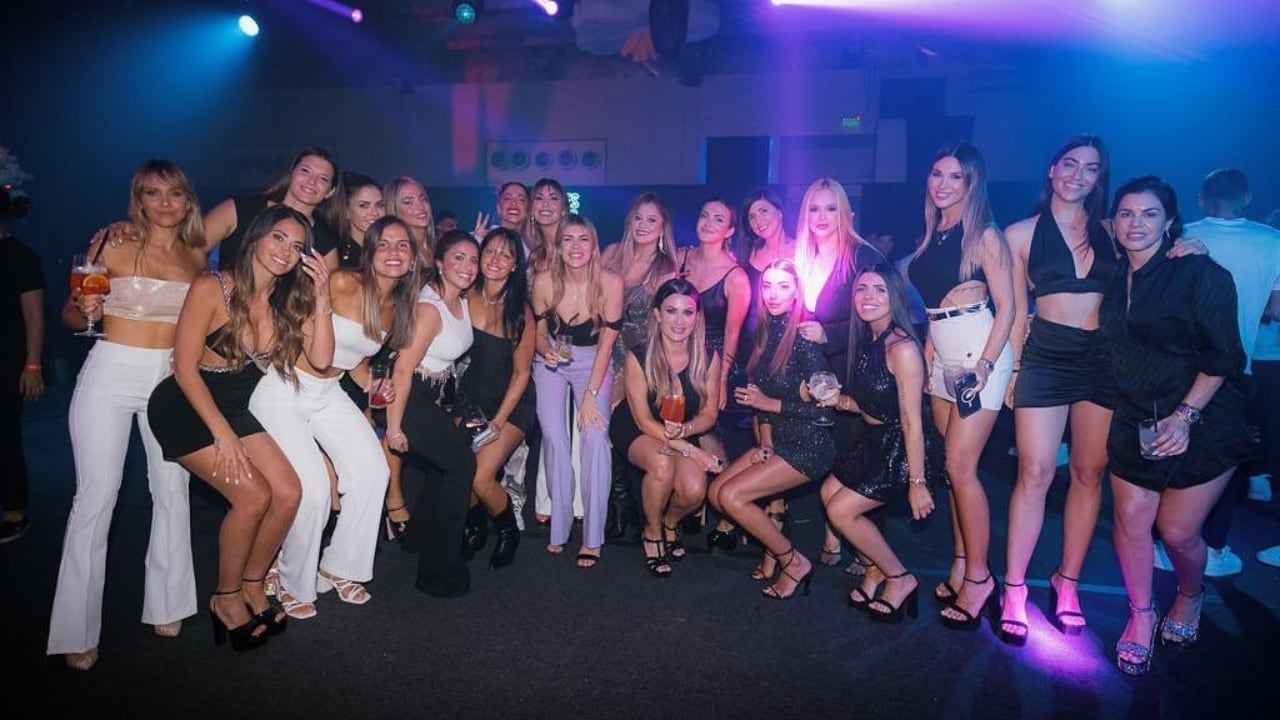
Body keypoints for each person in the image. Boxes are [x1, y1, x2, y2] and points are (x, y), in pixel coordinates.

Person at [146, 205, 332, 651]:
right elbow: (185, 368)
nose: (286, 251)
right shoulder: (213, 287)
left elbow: (322, 359)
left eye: (297, 246)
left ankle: (252, 583)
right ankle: (225, 597)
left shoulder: (289, 301)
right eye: (279, 238)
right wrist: (222, 434)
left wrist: (322, 297)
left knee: (289, 492)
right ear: (257, 237)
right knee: (253, 496)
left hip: (237, 407)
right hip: (186, 407)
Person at [47, 161, 208, 670]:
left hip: (169, 379)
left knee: (172, 491)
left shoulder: (198, 254)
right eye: (153, 193)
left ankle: (169, 603)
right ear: (138, 199)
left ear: (188, 201)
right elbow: (72, 314)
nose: (164, 202)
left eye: (174, 193)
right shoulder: (110, 244)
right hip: (110, 370)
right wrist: (83, 310)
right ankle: (76, 630)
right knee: (95, 498)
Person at [1102, 176, 1250, 676]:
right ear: (1113, 222)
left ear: (1170, 222)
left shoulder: (1200, 273)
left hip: (1202, 417)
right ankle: (1140, 616)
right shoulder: (1114, 274)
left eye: (1148, 214)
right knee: (1131, 521)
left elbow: (1226, 355)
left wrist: (1184, 418)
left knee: (1178, 531)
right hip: (1135, 416)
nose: (1136, 224)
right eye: (1126, 214)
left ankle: (1190, 594)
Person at [249, 216, 419, 618]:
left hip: (329, 392)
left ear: (413, 260)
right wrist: (321, 296)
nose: (393, 252)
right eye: (384, 244)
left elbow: (353, 361)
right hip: (285, 389)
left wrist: (372, 386)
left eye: (403, 246)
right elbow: (316, 351)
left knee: (373, 473)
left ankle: (340, 565)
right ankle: (290, 578)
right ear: (370, 251)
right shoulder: (341, 283)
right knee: (313, 489)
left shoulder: (396, 309)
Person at [998, 136, 1118, 644]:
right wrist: (1014, 369)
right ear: (1052, 170)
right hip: (1046, 356)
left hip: (1102, 359)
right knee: (1035, 471)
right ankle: (1015, 588)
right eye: (1070, 164)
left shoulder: (1113, 232)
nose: (1078, 175)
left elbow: (1160, 258)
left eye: (1091, 169)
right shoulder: (1020, 233)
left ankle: (1067, 584)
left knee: (1089, 474)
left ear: (1098, 179)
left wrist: (1187, 245)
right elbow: (1013, 307)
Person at [905, 142, 1016, 630]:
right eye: (936, 174)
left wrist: (990, 367)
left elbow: (1010, 307)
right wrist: (930, 358)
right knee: (953, 471)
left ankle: (980, 578)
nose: (943, 184)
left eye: (955, 177)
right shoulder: (934, 233)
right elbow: (931, 309)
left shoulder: (985, 235)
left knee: (961, 467)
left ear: (973, 183)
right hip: (942, 356)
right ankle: (958, 561)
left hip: (978, 355)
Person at [1162, 168, 1280, 578]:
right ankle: (1212, 548)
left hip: (1176, 366)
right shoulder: (1272, 241)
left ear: (1200, 199)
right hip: (1234, 367)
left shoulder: (1178, 234)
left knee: (1172, 450)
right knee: (1224, 462)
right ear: (1246, 197)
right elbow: (1276, 309)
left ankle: (1164, 543)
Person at [819, 264, 946, 622]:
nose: (868, 297)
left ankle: (899, 577)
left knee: (841, 511)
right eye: (862, 289)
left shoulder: (902, 347)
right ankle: (874, 568)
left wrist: (918, 483)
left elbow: (912, 420)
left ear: (894, 296)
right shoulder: (870, 340)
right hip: (874, 438)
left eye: (878, 290)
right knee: (829, 493)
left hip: (901, 448)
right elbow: (871, 402)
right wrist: (838, 401)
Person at [708, 258, 834, 599]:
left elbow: (826, 408)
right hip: (776, 440)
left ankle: (792, 561)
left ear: (796, 293)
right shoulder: (763, 334)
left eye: (783, 286)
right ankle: (775, 553)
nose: (773, 294)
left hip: (809, 445)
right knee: (717, 494)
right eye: (767, 286)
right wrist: (765, 442)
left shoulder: (805, 338)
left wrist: (770, 405)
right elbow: (757, 398)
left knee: (733, 497)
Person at [793, 177, 885, 570]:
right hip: (815, 373)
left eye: (831, 208)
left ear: (846, 212)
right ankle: (832, 536)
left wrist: (827, 335)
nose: (822, 217)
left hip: (852, 369)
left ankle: (864, 548)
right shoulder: (799, 256)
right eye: (814, 208)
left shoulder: (862, 256)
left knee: (856, 454)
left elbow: (876, 316)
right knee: (828, 453)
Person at [384, 229, 478, 597]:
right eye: (458, 258)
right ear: (438, 262)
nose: (467, 267)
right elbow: (403, 369)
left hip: (430, 396)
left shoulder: (460, 298)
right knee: (461, 465)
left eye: (473, 260)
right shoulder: (429, 307)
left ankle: (420, 537)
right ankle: (438, 572)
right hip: (407, 399)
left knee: (447, 464)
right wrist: (393, 428)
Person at [611, 278, 724, 577]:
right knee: (662, 462)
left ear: (697, 317)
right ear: (658, 315)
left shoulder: (708, 358)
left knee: (694, 490)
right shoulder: (640, 355)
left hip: (681, 428)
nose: (679, 321)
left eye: (687, 313)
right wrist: (692, 451)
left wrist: (686, 431)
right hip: (638, 429)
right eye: (671, 311)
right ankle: (653, 532)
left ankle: (670, 523)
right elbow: (643, 420)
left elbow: (710, 413)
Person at [705, 188, 796, 552]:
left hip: (787, 350)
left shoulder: (800, 252)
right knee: (758, 431)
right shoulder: (747, 255)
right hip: (751, 349)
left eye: (764, 212)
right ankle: (751, 509)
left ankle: (774, 508)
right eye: (752, 216)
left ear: (780, 211)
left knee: (781, 433)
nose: (758, 221)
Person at [532, 214, 624, 567]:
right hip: (553, 364)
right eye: (567, 239)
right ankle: (560, 526)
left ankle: (593, 537)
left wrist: (590, 395)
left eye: (582, 239)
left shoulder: (610, 283)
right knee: (555, 439)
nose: (575, 247)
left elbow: (607, 345)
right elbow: (539, 333)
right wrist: (545, 351)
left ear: (594, 245)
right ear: (558, 246)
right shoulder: (543, 282)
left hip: (593, 365)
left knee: (595, 438)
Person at [457, 227, 536, 569]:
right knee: (460, 470)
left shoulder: (521, 312)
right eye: (490, 251)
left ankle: (506, 530)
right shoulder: (461, 295)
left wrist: (499, 422)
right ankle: (474, 524)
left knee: (480, 476)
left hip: (512, 404)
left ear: (516, 265)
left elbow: (522, 374)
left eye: (506, 254)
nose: (496, 260)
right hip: (468, 401)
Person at [601, 193, 678, 539]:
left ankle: (625, 503)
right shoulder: (611, 254)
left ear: (663, 228)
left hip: (639, 357)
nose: (644, 225)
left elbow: (665, 326)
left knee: (620, 420)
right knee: (598, 426)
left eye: (652, 220)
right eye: (639, 218)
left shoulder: (665, 267)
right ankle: (618, 501)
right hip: (603, 349)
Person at [203, 146, 342, 271]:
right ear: (291, 173)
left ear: (330, 191)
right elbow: (192, 250)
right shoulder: (239, 209)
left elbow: (326, 291)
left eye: (323, 179)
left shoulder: (325, 244)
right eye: (305, 171)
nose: (312, 181)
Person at [0, 185, 41, 545]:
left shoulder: (19, 255)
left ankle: (15, 511)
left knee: (5, 437)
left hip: (6, 360)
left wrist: (32, 365)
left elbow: (34, 315)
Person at [384, 176, 436, 270]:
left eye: (423, 199)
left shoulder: (438, 247)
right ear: (394, 209)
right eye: (408, 202)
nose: (420, 207)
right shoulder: (400, 252)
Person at [338, 172, 385, 270]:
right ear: (346, 211)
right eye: (363, 206)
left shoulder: (391, 248)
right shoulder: (338, 256)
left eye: (380, 205)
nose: (375, 213)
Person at [526, 178, 570, 274]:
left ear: (563, 209)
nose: (545, 204)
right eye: (539, 198)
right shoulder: (535, 256)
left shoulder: (572, 247)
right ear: (532, 209)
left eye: (553, 198)